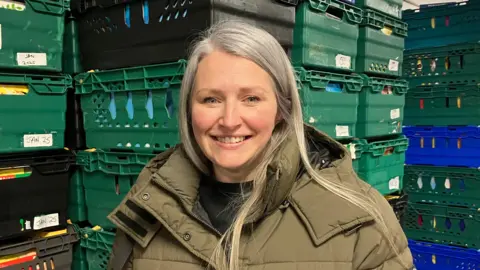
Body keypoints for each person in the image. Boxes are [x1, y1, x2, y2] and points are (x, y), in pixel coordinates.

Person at [106, 21, 413, 270]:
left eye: (251, 99)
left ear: (281, 108)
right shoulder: (150, 202)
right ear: (189, 109)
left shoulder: (359, 217)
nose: (229, 120)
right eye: (210, 99)